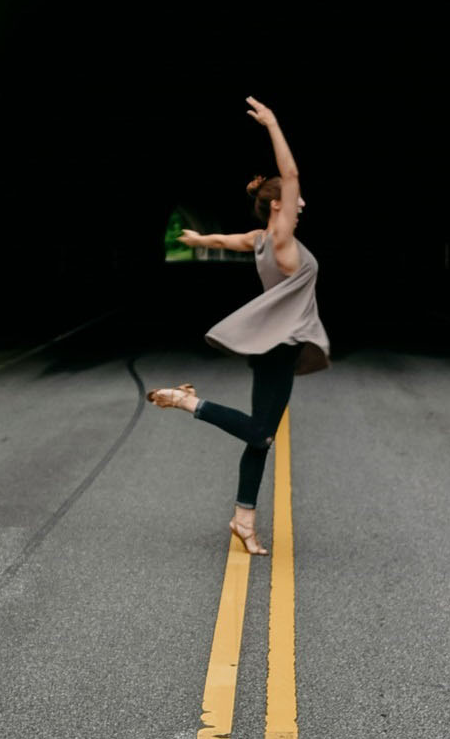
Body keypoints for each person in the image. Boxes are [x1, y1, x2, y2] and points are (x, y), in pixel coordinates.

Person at [147, 96, 330, 555]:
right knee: (262, 433)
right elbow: (290, 176)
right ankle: (189, 403)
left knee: (261, 437)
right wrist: (272, 123)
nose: (301, 203)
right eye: (292, 201)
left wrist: (197, 238)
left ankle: (244, 519)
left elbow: (224, 240)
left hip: (270, 348)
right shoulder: (283, 238)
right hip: (280, 348)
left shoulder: (259, 240)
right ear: (276, 207)